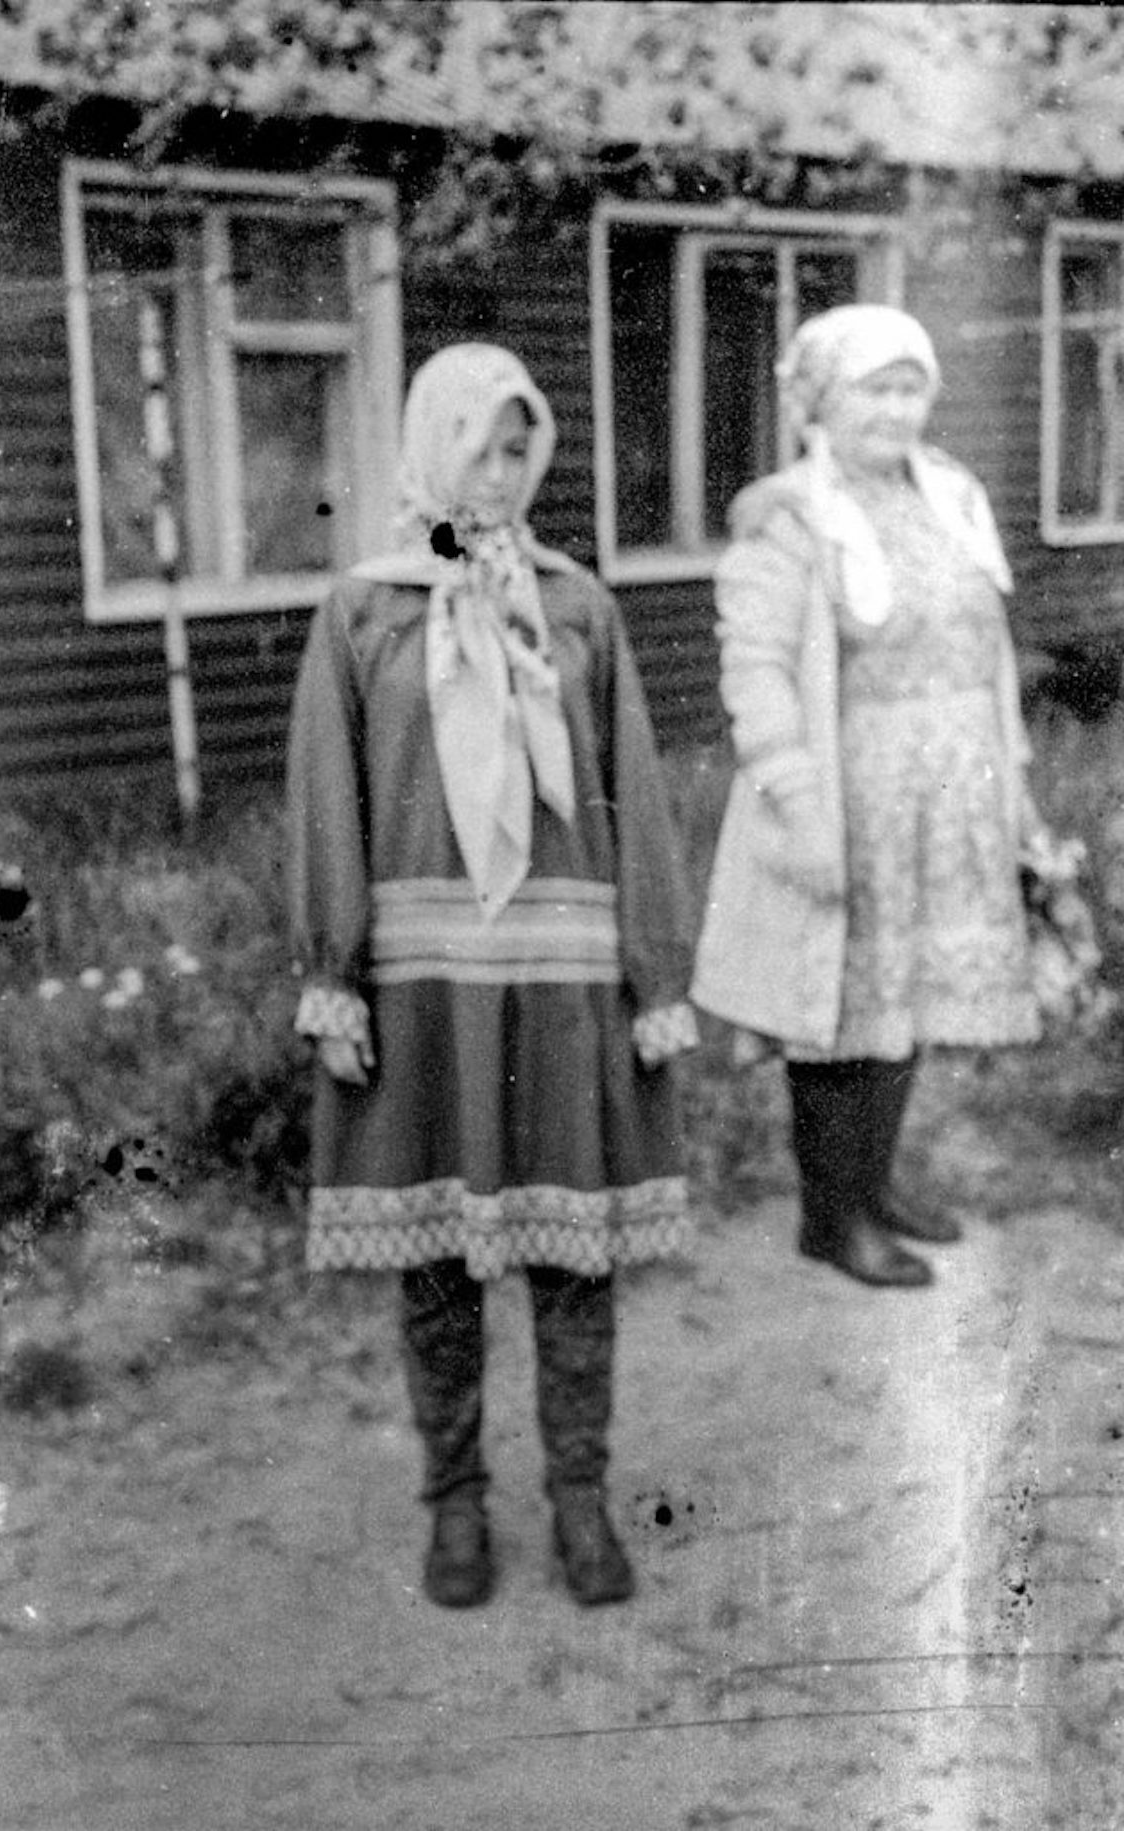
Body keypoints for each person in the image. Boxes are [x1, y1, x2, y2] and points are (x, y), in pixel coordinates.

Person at [286, 342, 698, 1609]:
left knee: (577, 1265)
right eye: (482, 443)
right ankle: (454, 1507)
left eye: (523, 447)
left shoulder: (577, 605)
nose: (504, 470)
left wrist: (656, 972)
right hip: (423, 989)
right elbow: (329, 799)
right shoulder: (363, 608)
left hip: (564, 979)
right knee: (441, 1271)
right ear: (432, 446)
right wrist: (333, 974)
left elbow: (630, 796)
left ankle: (580, 1500)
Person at [691, 304, 1044, 1290]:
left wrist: (1011, 782)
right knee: (840, 1006)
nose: (896, 410)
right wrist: (799, 805)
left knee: (908, 998)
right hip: (852, 804)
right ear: (822, 399)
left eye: (910, 387)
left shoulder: (952, 494)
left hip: (951, 796)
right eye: (873, 389)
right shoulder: (788, 515)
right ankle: (830, 1214)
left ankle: (874, 1186)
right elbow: (755, 668)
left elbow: (990, 647)